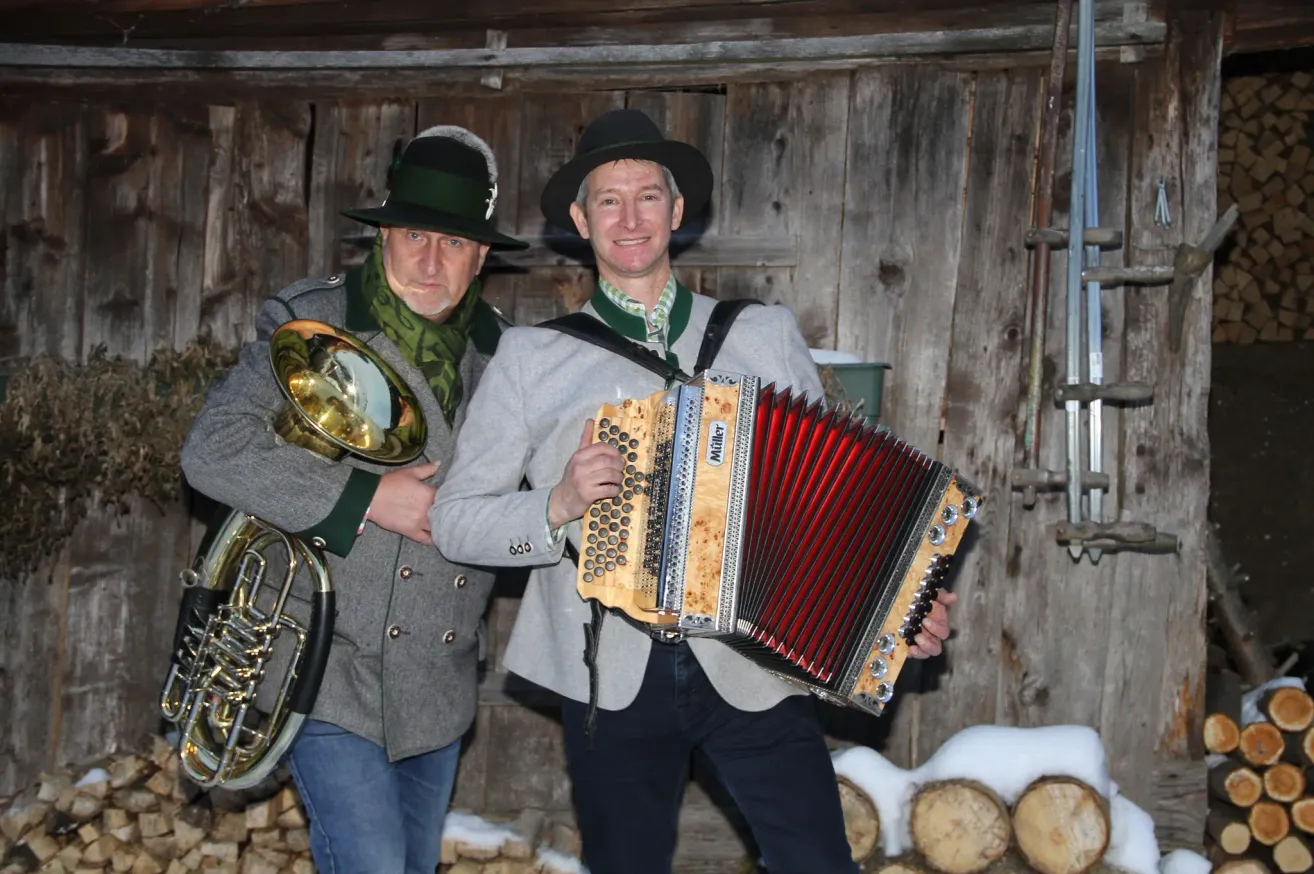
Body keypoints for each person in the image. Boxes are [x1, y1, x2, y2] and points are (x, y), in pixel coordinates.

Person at [429, 108, 956, 874]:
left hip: (753, 671)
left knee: (818, 863)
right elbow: (456, 523)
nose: (630, 217)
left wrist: (902, 602)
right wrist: (556, 506)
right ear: (581, 220)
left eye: (649, 196)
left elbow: (833, 502)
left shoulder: (761, 334)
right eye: (608, 200)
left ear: (677, 212)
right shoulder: (531, 358)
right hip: (610, 677)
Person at [179, 124, 528, 874]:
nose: (432, 261)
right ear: (384, 236)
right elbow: (212, 451)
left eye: (455, 243)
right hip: (324, 666)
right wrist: (363, 498)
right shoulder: (314, 323)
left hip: (438, 681)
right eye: (413, 234)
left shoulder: (513, 358)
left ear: (483, 255)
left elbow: (533, 508)